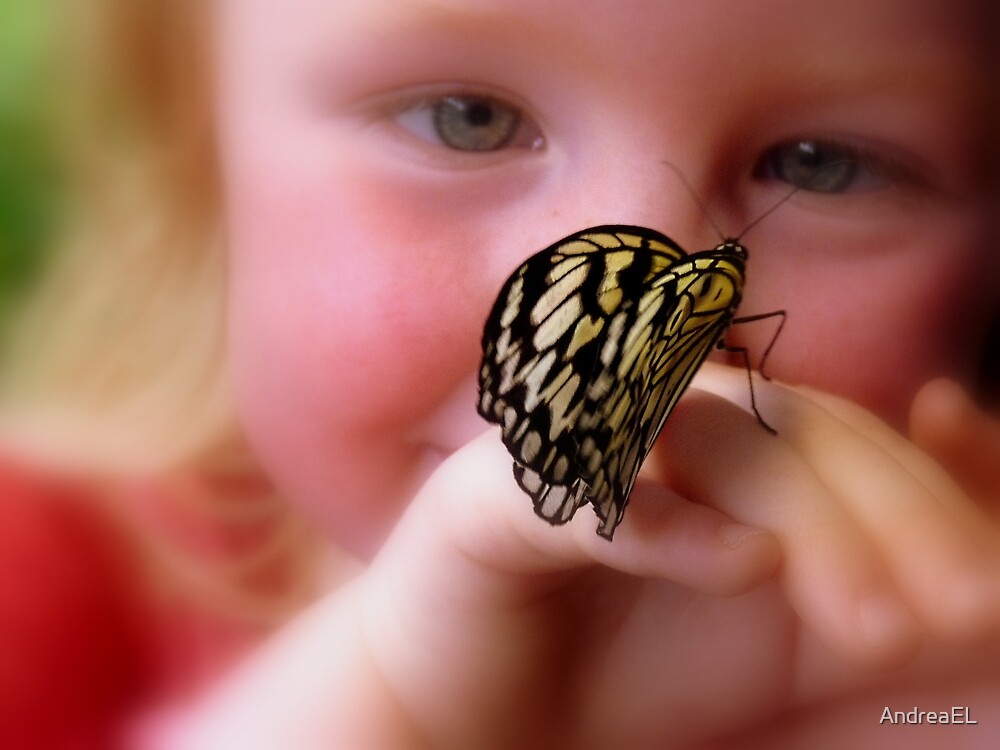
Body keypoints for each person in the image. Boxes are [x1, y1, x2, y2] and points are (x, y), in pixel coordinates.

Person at [1, 0, 997, 747]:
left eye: (821, 165)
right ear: (201, 152)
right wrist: (389, 699)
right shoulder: (47, 563)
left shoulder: (946, 666)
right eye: (465, 118)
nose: (650, 232)